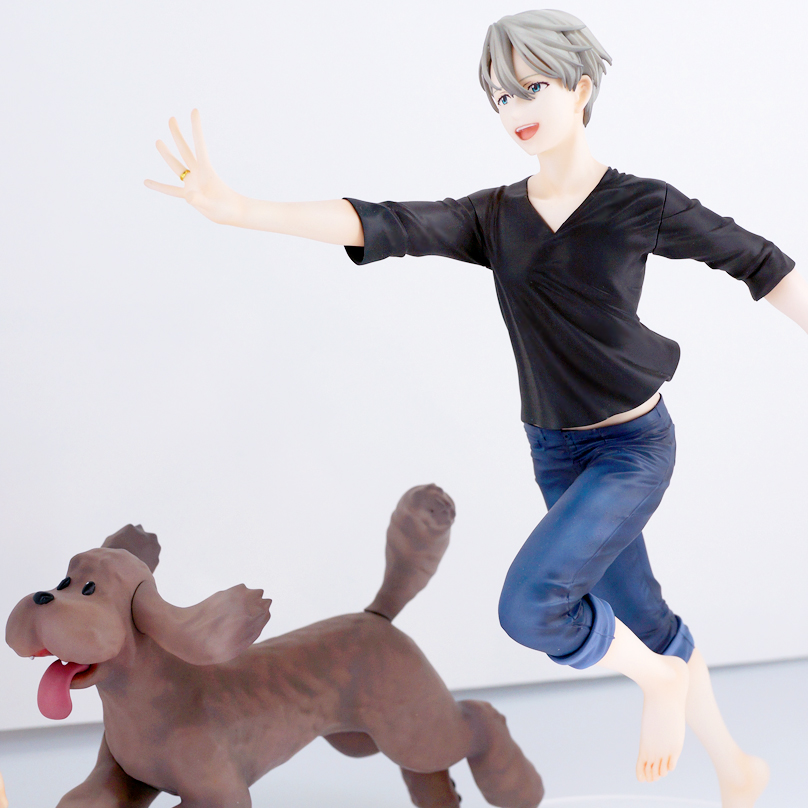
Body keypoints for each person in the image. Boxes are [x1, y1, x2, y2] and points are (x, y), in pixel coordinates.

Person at [145, 10, 806, 806]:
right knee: (641, 608)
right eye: (499, 97)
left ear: (580, 89)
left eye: (531, 87)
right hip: (555, 452)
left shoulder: (641, 203)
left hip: (633, 448)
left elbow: (761, 262)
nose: (514, 109)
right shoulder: (495, 217)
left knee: (531, 607)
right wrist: (240, 208)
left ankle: (659, 680)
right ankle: (736, 768)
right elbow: (386, 222)